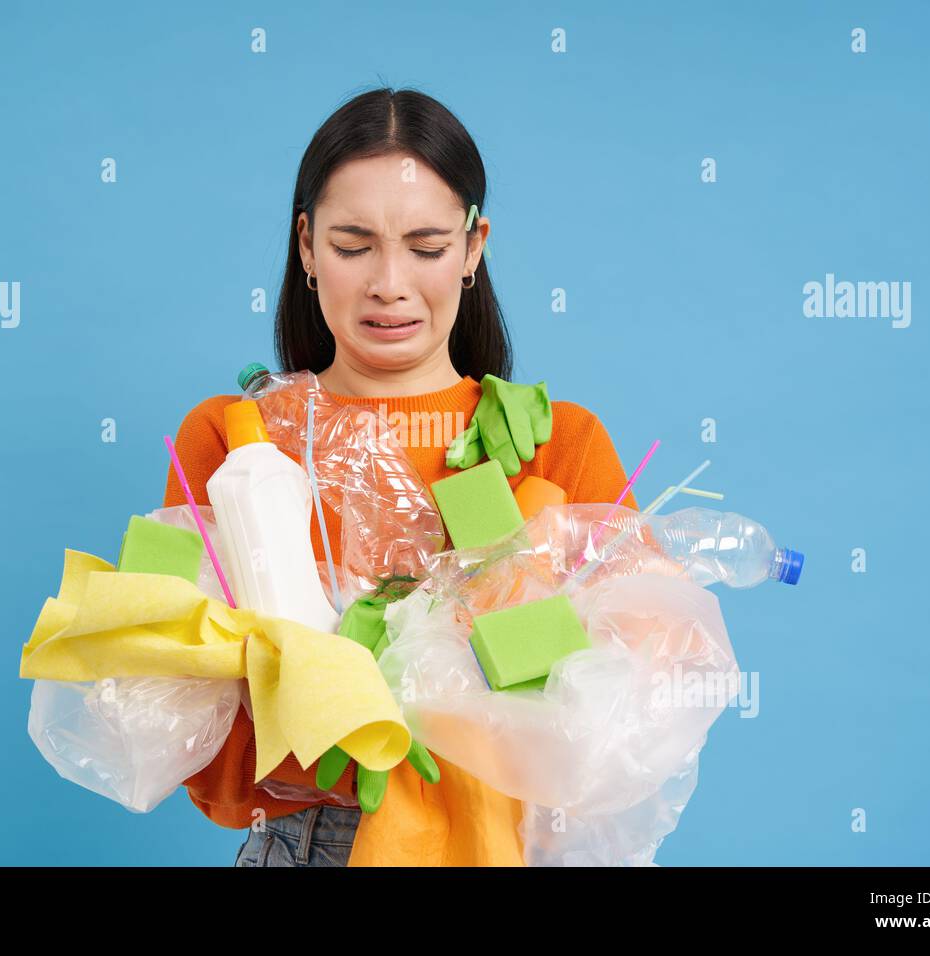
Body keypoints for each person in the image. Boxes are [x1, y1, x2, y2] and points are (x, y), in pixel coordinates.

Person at [164, 86, 638, 867]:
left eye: (426, 246)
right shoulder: (236, 441)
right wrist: (297, 704)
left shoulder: (559, 445)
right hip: (309, 841)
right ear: (307, 247)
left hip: (505, 844)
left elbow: (624, 711)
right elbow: (199, 743)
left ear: (473, 247)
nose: (389, 282)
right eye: (354, 245)